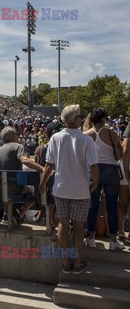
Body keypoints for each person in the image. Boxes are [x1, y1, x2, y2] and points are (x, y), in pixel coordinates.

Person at [40, 105, 99, 274]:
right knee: (79, 226)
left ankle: (66, 263)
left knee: (62, 224)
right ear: (75, 119)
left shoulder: (55, 138)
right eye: (80, 116)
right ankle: (78, 264)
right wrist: (95, 183)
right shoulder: (86, 140)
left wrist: (43, 183)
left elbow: (49, 165)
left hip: (61, 187)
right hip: (80, 188)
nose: (82, 119)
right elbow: (94, 166)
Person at [83, 108, 125, 250]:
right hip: (110, 170)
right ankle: (113, 240)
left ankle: (91, 238)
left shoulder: (85, 135)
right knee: (112, 205)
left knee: (92, 206)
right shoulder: (111, 133)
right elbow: (119, 155)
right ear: (103, 119)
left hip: (92, 169)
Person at [0, 127, 44, 225]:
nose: (18, 136)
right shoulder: (18, 146)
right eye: (16, 134)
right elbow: (24, 160)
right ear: (12, 137)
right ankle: (19, 215)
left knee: (6, 183)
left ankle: (7, 214)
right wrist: (43, 168)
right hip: (12, 188)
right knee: (35, 190)